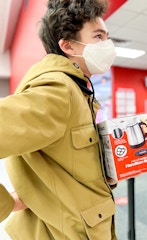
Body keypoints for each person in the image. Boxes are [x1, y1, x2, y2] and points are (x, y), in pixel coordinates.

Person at [0, 0, 118, 239]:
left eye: (107, 37)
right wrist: (7, 204)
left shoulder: (77, 89)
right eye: (98, 37)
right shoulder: (59, 90)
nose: (107, 45)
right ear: (68, 46)